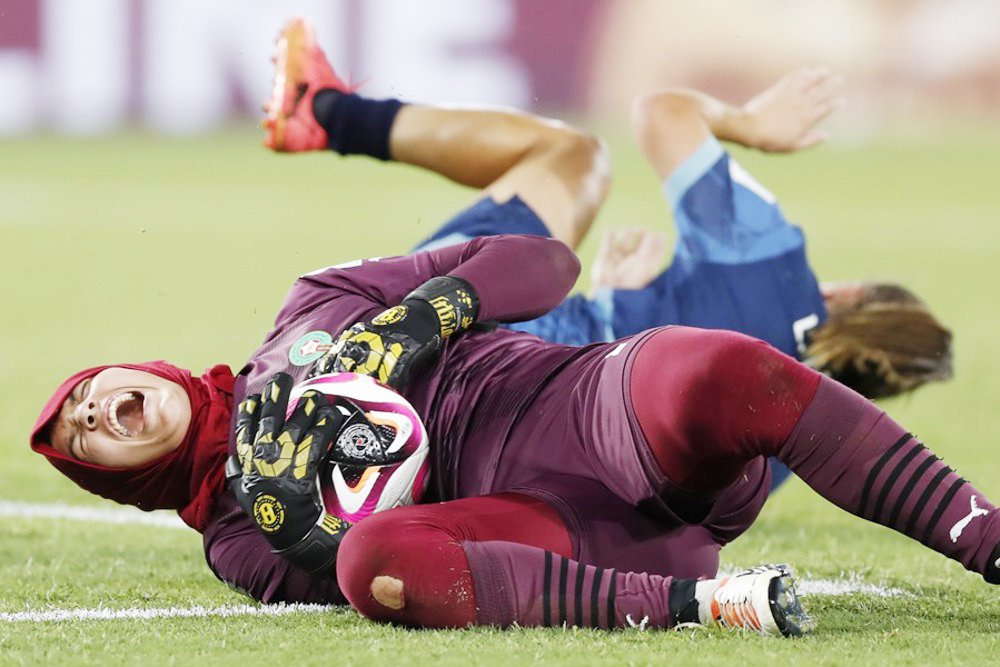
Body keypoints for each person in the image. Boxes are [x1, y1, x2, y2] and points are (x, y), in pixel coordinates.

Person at [30, 18, 995, 638]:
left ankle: (982, 534)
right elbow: (372, 581)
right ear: (118, 482)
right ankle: (698, 608)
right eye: (83, 439)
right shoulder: (239, 538)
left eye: (83, 394)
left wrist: (418, 317)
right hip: (555, 533)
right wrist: (318, 523)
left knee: (722, 370)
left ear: (140, 368)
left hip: (591, 408)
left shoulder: (313, 308)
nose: (91, 412)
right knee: (379, 569)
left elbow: (546, 267)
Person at [261, 23, 952, 488]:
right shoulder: (772, 458)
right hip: (470, 466)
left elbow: (661, 112)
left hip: (458, 350)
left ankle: (323, 110)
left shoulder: (775, 262)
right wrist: (624, 318)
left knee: (576, 157)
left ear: (855, 295)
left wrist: (750, 127)